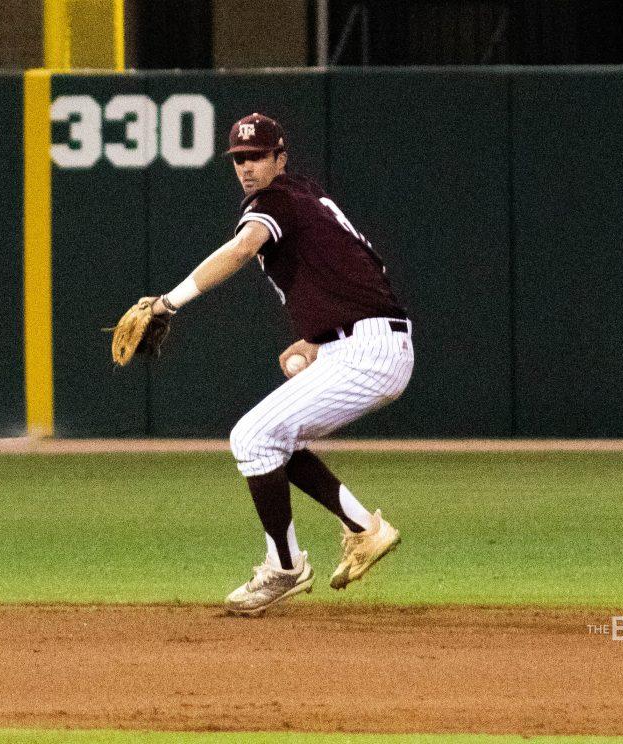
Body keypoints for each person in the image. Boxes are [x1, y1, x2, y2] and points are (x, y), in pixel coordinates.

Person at [143, 112, 414, 616]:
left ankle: (285, 568)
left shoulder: (277, 202)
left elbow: (243, 249)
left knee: (251, 436)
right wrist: (317, 338)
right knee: (272, 439)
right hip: (363, 341)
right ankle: (363, 528)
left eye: (258, 156)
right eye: (239, 158)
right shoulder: (308, 198)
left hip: (368, 349)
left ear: (280, 158)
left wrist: (167, 302)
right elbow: (354, 270)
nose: (246, 167)